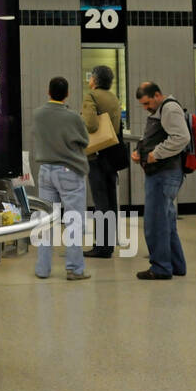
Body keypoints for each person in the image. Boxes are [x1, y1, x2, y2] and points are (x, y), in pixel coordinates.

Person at [32, 76, 92, 281]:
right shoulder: (73, 117)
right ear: (67, 94)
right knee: (73, 220)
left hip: (45, 172)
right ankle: (74, 269)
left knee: (46, 221)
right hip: (69, 172)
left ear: (48, 92)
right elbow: (84, 140)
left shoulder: (38, 115)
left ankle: (42, 269)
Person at [131, 81, 190, 280]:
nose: (146, 108)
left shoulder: (170, 108)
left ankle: (161, 267)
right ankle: (175, 264)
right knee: (166, 220)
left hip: (164, 173)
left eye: (147, 103)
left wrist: (156, 153)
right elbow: (155, 136)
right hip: (163, 173)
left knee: (155, 221)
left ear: (157, 95)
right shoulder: (161, 110)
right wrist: (140, 151)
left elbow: (182, 137)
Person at [81, 65, 123, 258]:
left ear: (95, 80)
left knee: (100, 201)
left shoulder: (91, 96)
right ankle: (109, 243)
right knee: (111, 200)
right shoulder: (114, 98)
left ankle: (102, 247)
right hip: (112, 155)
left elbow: (90, 124)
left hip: (96, 155)